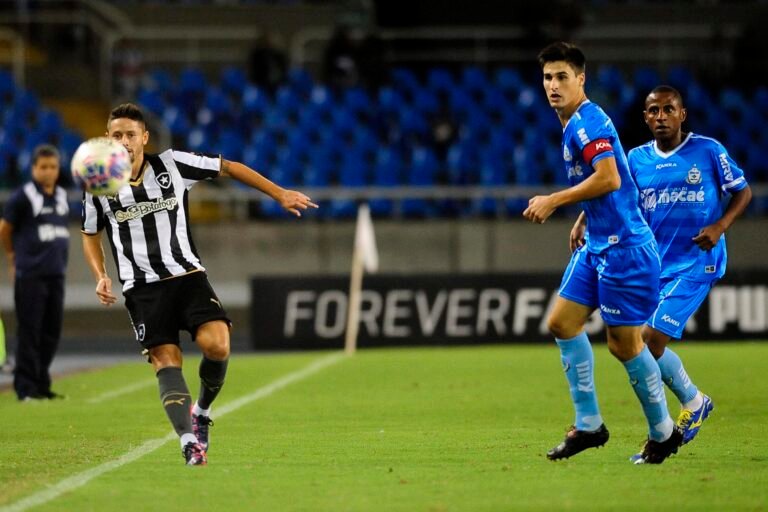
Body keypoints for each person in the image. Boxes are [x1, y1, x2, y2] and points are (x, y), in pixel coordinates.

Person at [81, 103, 317, 466]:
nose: (124, 141)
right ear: (106, 139)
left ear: (144, 137)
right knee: (166, 360)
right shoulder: (98, 185)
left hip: (187, 277)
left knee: (218, 345)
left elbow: (229, 167)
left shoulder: (173, 165)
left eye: (130, 134)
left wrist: (279, 193)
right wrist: (100, 275)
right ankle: (189, 441)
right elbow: (90, 233)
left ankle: (202, 411)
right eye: (116, 135)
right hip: (142, 289)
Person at [524, 42, 681, 464]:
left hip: (626, 250)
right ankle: (589, 425)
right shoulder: (574, 121)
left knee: (625, 346)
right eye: (547, 77)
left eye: (561, 77)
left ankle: (664, 432)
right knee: (562, 322)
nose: (552, 86)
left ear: (581, 79)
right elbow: (615, 183)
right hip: (598, 243)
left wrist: (556, 200)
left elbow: (609, 177)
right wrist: (586, 215)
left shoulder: (586, 123)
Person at [626, 85, 752, 453]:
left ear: (682, 115)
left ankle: (670, 424)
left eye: (669, 109)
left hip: (698, 261)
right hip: (655, 266)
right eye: (654, 111)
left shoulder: (709, 151)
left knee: (649, 339)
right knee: (637, 344)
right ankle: (695, 402)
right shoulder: (636, 160)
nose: (661, 116)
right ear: (645, 117)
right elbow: (612, 192)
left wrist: (719, 227)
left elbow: (742, 192)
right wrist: (585, 219)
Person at [0, 144, 69, 401]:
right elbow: (4, 229)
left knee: (51, 331)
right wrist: (11, 256)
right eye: (43, 167)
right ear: (33, 169)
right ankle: (25, 387)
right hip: (31, 275)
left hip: (56, 274)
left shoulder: (62, 195)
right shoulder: (23, 196)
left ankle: (41, 384)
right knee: (30, 331)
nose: (49, 172)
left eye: (53, 167)